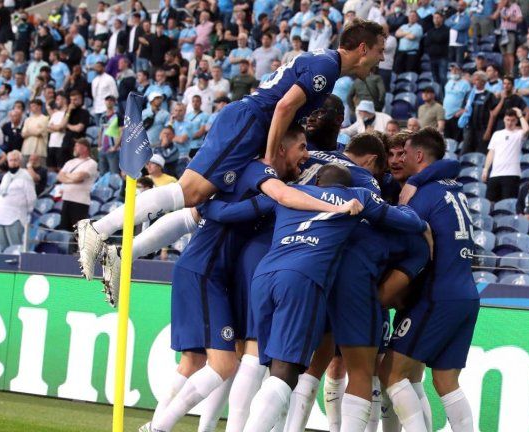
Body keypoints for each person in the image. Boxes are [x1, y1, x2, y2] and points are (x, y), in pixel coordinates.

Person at [78, 19, 387, 280]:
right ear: (363, 48)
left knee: (196, 207)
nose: (382, 58)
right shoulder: (327, 68)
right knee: (190, 193)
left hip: (246, 124)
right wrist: (268, 157)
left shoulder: (323, 61)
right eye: (379, 50)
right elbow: (282, 108)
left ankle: (122, 256)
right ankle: (97, 228)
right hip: (249, 123)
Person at [138, 129, 365, 432]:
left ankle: (172, 426)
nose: (305, 156)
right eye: (300, 147)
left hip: (222, 273)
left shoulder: (259, 181)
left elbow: (208, 210)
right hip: (206, 272)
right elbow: (204, 211)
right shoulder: (263, 179)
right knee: (226, 363)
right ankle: (158, 427)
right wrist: (334, 206)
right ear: (281, 149)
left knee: (200, 361)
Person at [380, 127, 478, 432]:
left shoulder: (422, 194)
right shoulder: (454, 188)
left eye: (406, 153)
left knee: (390, 374)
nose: (401, 158)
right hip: (466, 295)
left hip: (437, 296)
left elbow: (399, 244)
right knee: (446, 381)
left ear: (419, 156)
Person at [482, 108, 529, 202]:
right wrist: (486, 169)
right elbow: (491, 152)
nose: (509, 122)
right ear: (504, 119)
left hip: (511, 174)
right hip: (495, 174)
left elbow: (527, 129)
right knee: (490, 203)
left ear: (516, 121)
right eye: (508, 120)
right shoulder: (497, 134)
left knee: (508, 204)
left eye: (512, 120)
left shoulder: (519, 134)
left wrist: (520, 115)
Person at [0, 150, 36, 250]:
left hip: (15, 217)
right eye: (11, 160)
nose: (13, 162)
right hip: (1, 216)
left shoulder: (26, 176)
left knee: (15, 248)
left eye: (16, 160)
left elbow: (31, 197)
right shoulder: (6, 176)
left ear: (20, 162)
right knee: (2, 248)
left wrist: (27, 212)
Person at [57, 139, 98, 237]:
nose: (74, 148)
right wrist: (72, 178)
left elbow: (80, 177)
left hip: (80, 201)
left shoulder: (91, 163)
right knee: (64, 229)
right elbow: (59, 176)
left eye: (77, 146)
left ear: (84, 148)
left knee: (78, 231)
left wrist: (67, 176)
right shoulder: (70, 162)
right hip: (67, 198)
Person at [460, 71, 497, 154]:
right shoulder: (469, 94)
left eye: (477, 80)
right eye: (474, 79)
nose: (474, 82)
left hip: (482, 129)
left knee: (481, 153)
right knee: (465, 151)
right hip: (469, 128)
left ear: (483, 82)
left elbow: (493, 115)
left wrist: (488, 130)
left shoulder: (489, 95)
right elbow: (463, 108)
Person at [21, 100, 49, 166]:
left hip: (39, 150)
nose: (31, 108)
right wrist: (34, 130)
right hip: (26, 149)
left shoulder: (45, 118)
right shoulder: (28, 119)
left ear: (39, 107)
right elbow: (23, 134)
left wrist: (29, 132)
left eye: (33, 106)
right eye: (31, 106)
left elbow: (39, 132)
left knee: (40, 170)